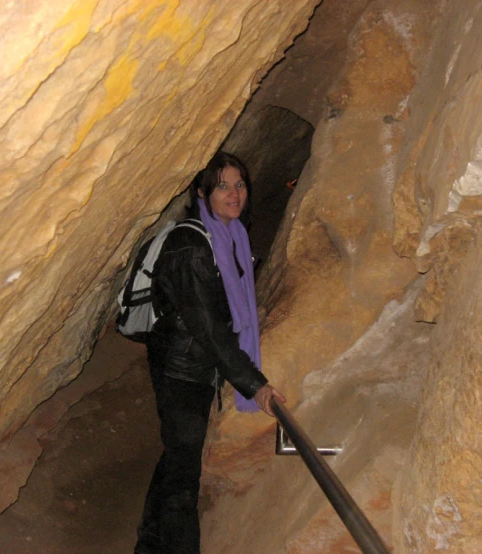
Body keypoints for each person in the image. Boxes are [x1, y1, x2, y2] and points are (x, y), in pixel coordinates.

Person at [134, 152, 286, 554]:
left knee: (178, 456)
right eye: (222, 185)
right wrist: (256, 385)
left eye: (239, 184)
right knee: (184, 480)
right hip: (180, 370)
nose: (233, 193)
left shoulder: (231, 235)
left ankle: (148, 544)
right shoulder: (191, 246)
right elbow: (210, 330)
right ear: (202, 192)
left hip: (197, 366)